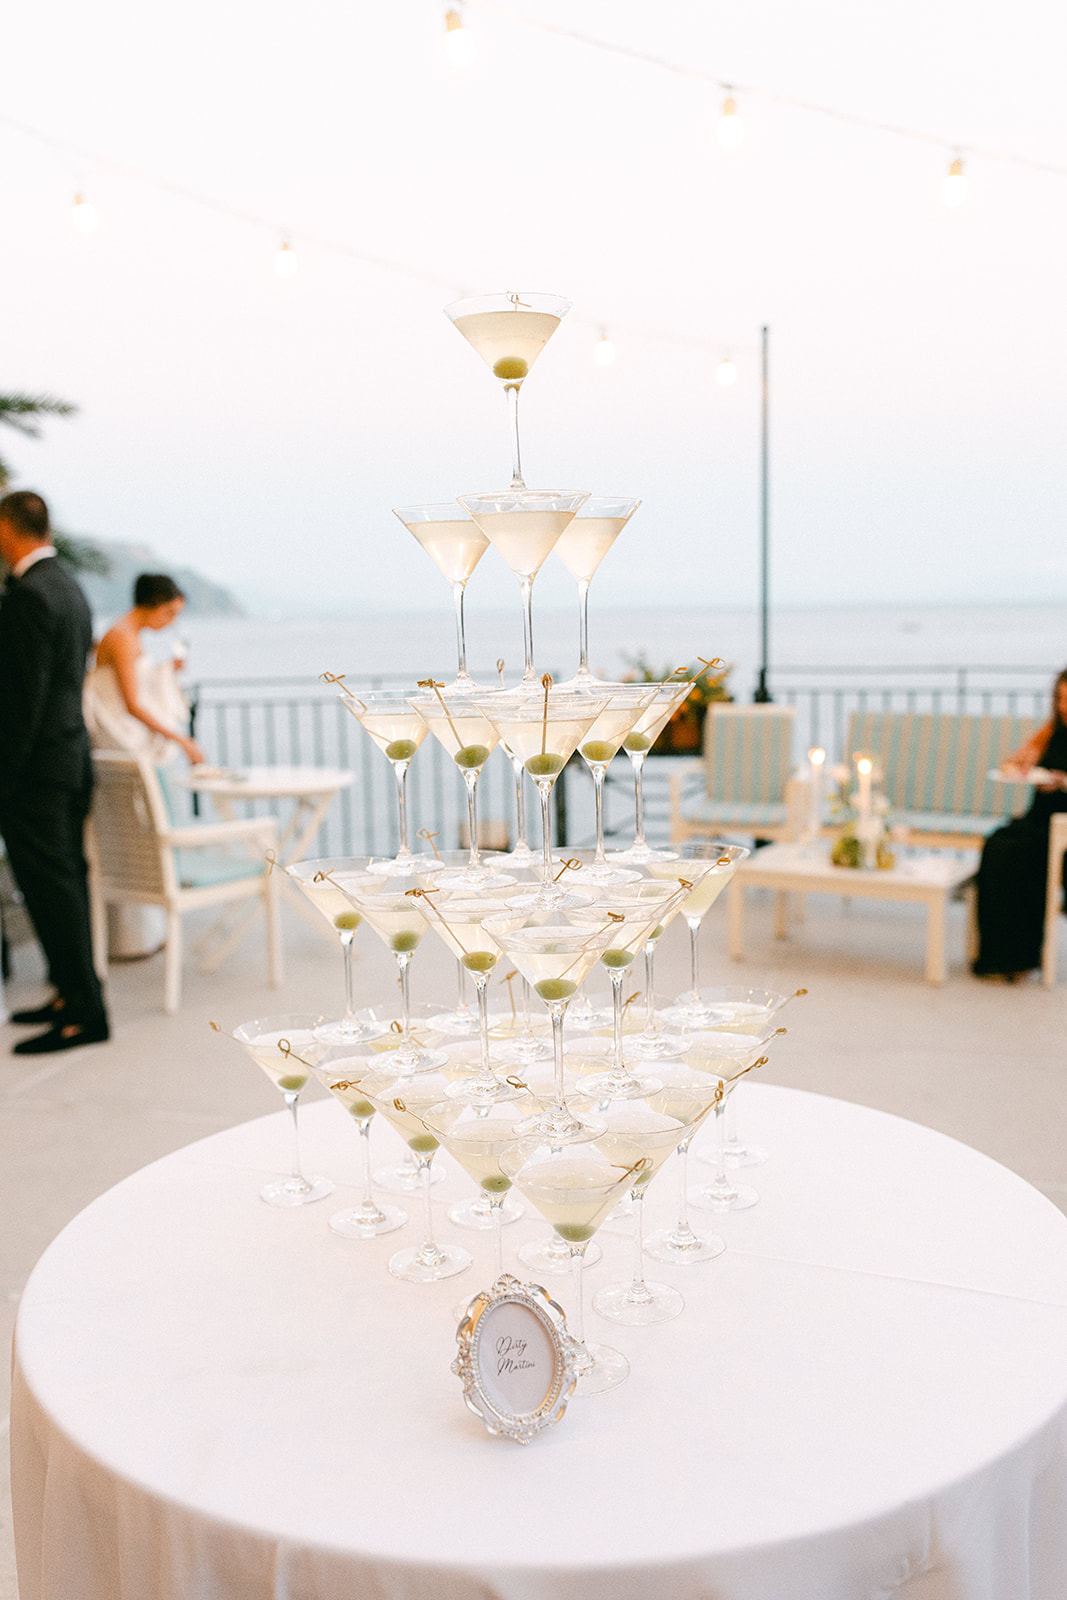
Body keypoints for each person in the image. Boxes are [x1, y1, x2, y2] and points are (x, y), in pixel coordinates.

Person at [0, 490, 109, 1052]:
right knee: (65, 887)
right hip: (69, 760)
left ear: (8, 527)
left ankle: (85, 1015)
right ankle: (72, 993)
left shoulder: (28, 595)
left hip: (36, 774)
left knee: (53, 892)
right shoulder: (68, 586)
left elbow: (22, 702)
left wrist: (4, 779)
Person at [83, 573, 204, 957]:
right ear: (152, 605)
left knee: (136, 828)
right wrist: (180, 739)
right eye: (170, 612)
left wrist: (167, 669)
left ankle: (140, 933)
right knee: (130, 828)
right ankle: (129, 936)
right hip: (120, 742)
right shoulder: (121, 636)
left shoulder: (126, 634)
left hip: (122, 740)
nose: (171, 621)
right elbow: (131, 703)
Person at [972, 668, 1067, 980]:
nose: (1064, 706)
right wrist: (1022, 764)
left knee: (1021, 857)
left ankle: (1022, 958)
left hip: (1062, 826)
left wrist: (1061, 781)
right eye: (1060, 699)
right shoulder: (1052, 730)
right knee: (996, 846)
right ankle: (996, 956)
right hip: (1037, 818)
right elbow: (1014, 761)